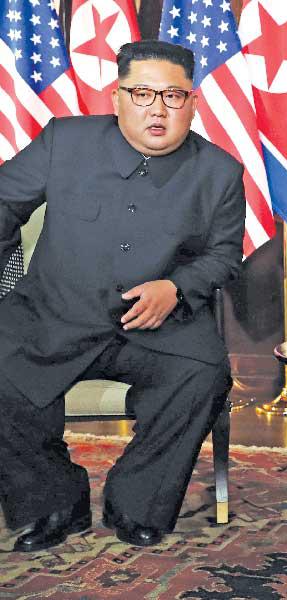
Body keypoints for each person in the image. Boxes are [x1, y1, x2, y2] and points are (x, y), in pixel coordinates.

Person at [0, 40, 245, 551]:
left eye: (172, 96)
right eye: (142, 93)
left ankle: (136, 504)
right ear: (117, 97)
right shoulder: (64, 141)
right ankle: (53, 503)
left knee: (204, 374)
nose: (157, 109)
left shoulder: (220, 172)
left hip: (156, 325)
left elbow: (224, 256)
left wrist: (176, 287)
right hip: (55, 314)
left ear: (193, 103)